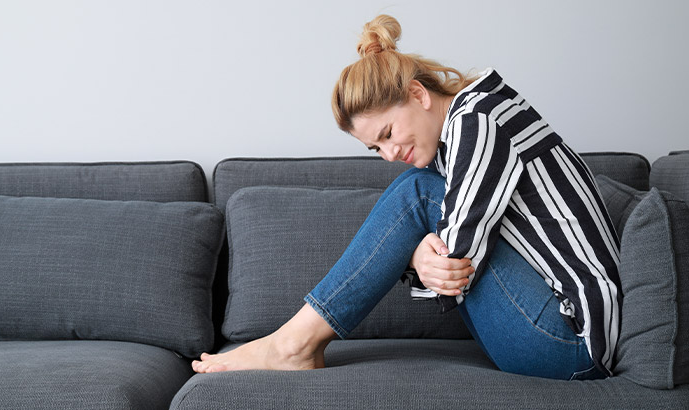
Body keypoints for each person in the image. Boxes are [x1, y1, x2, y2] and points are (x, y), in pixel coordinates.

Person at [192, 14, 621, 380]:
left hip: (573, 340)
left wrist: (416, 258)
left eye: (388, 134)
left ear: (418, 94)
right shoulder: (456, 139)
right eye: (376, 148)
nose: (390, 154)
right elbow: (452, 265)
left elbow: (456, 256)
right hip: (552, 327)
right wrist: (416, 259)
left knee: (417, 191)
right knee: (417, 185)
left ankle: (293, 344)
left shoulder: (479, 119)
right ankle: (293, 343)